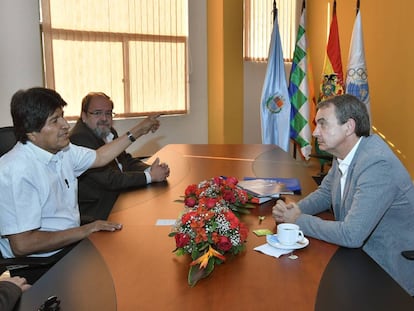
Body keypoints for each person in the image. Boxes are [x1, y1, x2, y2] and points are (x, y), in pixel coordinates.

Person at [0, 87, 160, 283]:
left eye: (63, 117)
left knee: (135, 254)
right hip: (43, 262)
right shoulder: (15, 171)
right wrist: (85, 230)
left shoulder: (62, 150)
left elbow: (100, 156)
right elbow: (23, 244)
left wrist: (138, 131)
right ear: (32, 133)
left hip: (70, 243)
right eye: (55, 120)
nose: (66, 125)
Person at [272, 94, 414, 296]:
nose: (314, 133)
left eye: (322, 124)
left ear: (348, 127)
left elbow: (352, 234)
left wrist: (298, 220)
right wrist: (294, 210)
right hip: (360, 257)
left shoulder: (376, 163)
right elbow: (325, 193)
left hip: (389, 271)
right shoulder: (345, 153)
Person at [70, 92, 170, 220]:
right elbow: (110, 179)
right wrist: (150, 176)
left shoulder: (108, 131)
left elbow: (124, 161)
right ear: (83, 116)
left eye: (108, 113)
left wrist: (150, 169)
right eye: (97, 113)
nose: (104, 118)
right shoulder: (79, 138)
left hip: (119, 198)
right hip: (98, 212)